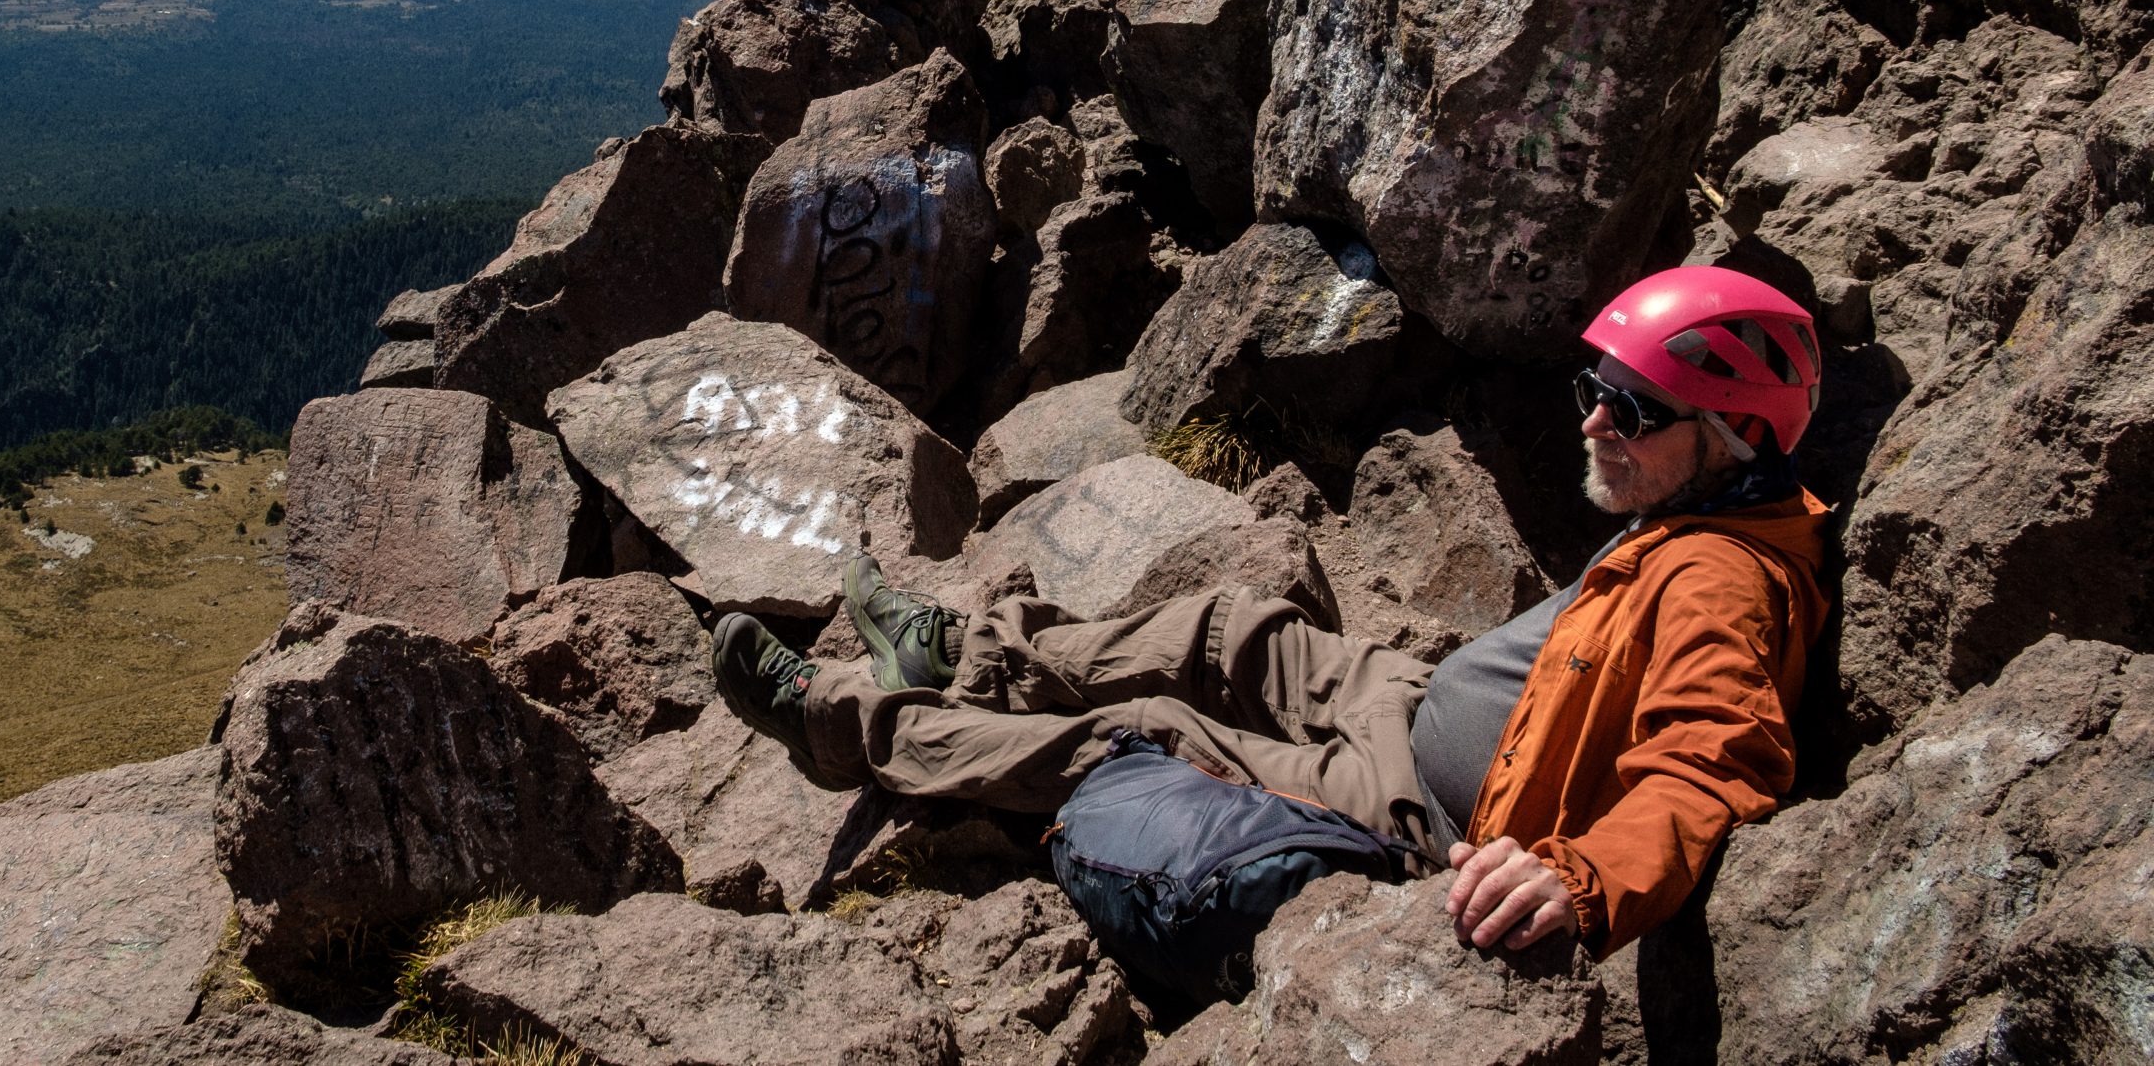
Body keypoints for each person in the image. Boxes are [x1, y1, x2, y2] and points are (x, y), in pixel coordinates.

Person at [709, 266, 1833, 959]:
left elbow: (1710, 762)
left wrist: (1576, 879)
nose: (1593, 425)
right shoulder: (1699, 510)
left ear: (1738, 435)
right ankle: (964, 652)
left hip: (1433, 810)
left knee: (1146, 732)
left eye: (1631, 410)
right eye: (1594, 392)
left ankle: (848, 726)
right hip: (1420, 705)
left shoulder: (1723, 580)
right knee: (1227, 631)